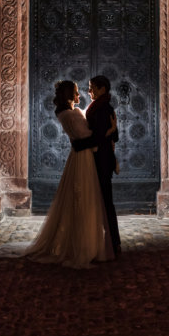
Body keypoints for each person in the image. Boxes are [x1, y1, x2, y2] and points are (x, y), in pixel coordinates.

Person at [23, 80, 116, 268]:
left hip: (81, 156)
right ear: (68, 95)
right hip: (83, 160)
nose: (80, 94)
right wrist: (110, 131)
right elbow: (87, 138)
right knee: (84, 199)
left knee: (83, 198)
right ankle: (84, 245)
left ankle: (88, 243)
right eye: (75, 92)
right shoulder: (70, 114)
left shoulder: (69, 112)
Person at [71, 76, 122, 256]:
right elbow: (112, 136)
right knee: (102, 201)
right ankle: (107, 242)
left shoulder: (103, 108)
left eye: (92, 88)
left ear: (102, 89)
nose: (89, 91)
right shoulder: (101, 106)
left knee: (106, 201)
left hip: (102, 160)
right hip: (100, 158)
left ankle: (112, 243)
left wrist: (79, 145)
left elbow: (102, 137)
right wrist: (110, 132)